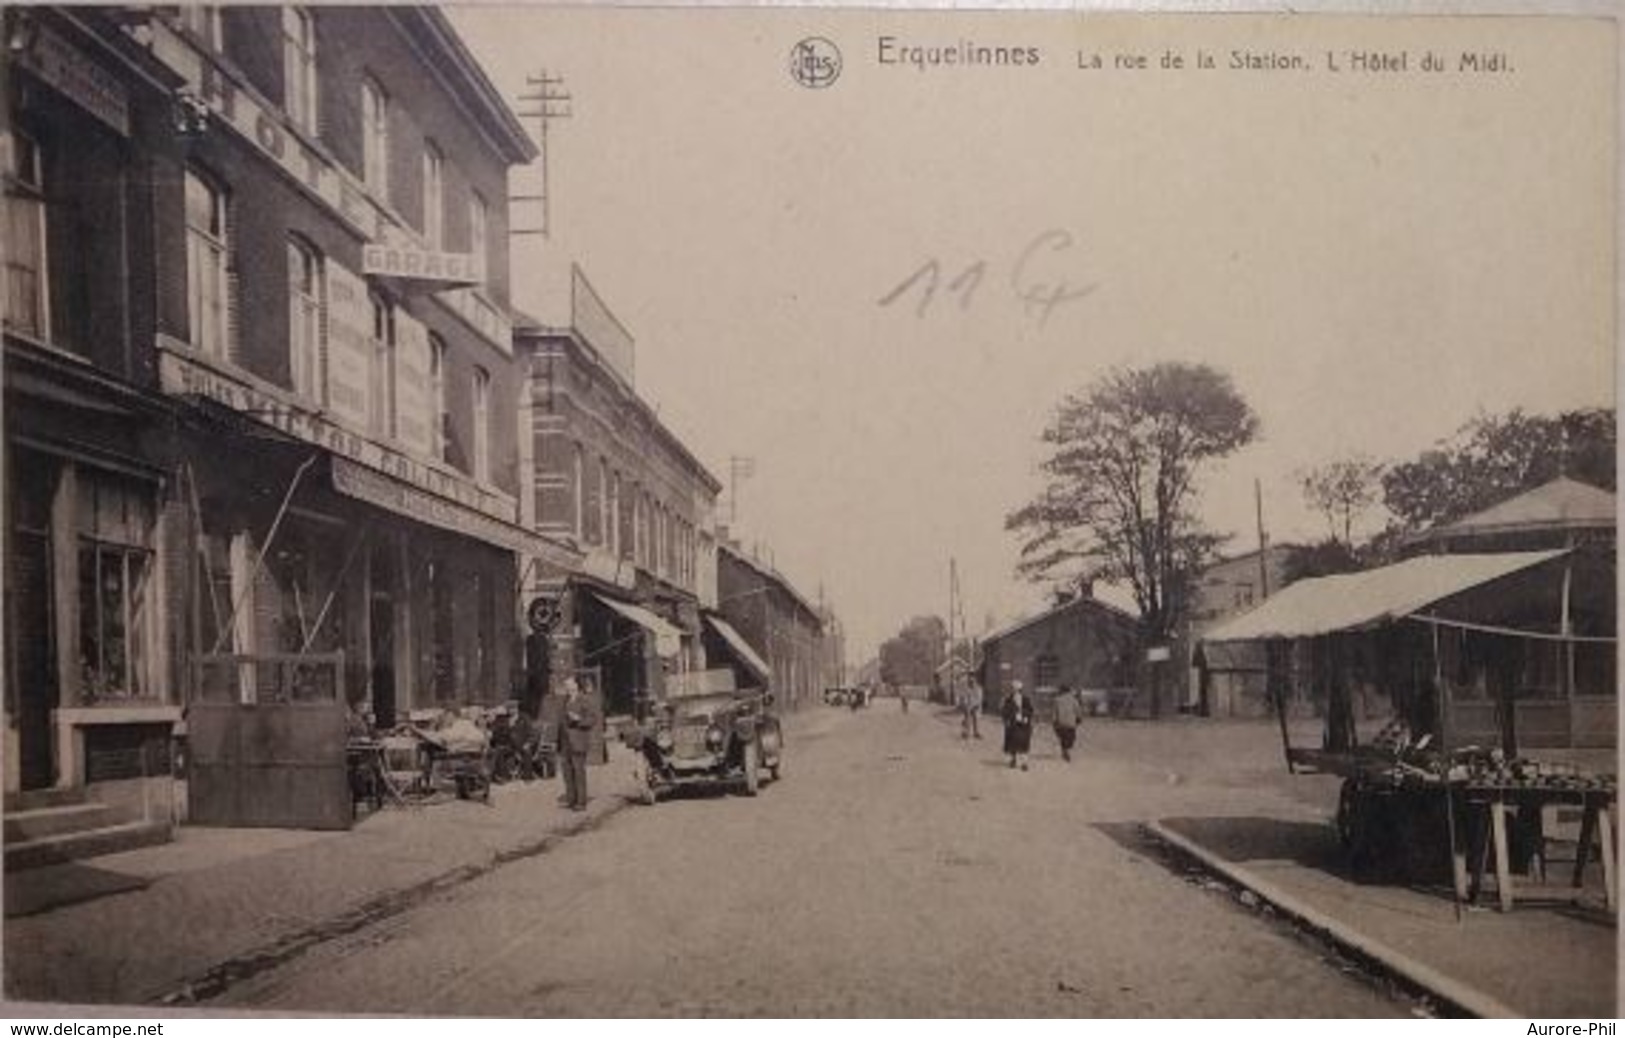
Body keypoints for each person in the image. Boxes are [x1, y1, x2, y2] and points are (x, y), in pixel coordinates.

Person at [556, 678, 600, 811]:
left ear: (576, 685)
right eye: (566, 686)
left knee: (579, 772)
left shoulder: (584, 699)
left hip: (579, 741)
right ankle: (571, 799)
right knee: (567, 772)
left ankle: (581, 802)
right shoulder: (565, 701)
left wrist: (579, 719)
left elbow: (593, 719)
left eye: (570, 685)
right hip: (565, 742)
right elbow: (561, 722)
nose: (568, 688)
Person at [1001, 681, 1035, 770]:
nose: (1015, 691)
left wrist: (1025, 716)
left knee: (1024, 744)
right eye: (1014, 689)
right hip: (1013, 724)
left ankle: (1024, 763)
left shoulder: (1026, 699)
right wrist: (1006, 720)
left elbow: (1030, 710)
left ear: (1020, 690)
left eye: (1017, 690)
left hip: (1024, 724)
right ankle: (1013, 760)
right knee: (1012, 743)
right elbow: (1004, 711)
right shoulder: (1008, 699)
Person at [1052, 683, 1083, 762]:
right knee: (1071, 738)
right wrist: (1079, 719)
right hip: (1071, 723)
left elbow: (1054, 713)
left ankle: (1065, 750)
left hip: (1060, 723)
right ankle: (1066, 750)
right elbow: (1078, 710)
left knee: (1063, 738)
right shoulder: (1073, 700)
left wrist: (1054, 722)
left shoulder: (1057, 700)